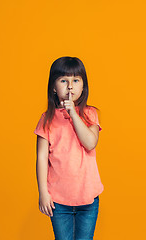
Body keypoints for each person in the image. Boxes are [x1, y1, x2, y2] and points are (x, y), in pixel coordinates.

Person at [34, 56, 104, 240]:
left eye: (76, 80)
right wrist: (43, 192)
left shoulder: (90, 114)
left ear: (83, 86)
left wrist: (73, 112)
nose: (70, 86)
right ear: (54, 88)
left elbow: (90, 142)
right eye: (64, 80)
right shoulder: (46, 119)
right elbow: (41, 158)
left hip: (88, 198)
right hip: (58, 200)